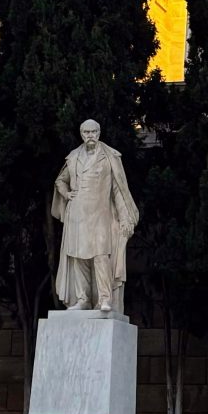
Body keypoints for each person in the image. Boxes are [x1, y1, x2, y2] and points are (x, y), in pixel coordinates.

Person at [51, 119, 139, 313]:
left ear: (99, 133)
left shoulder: (110, 157)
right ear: (81, 134)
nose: (90, 135)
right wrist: (67, 194)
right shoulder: (73, 156)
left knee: (101, 256)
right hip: (76, 215)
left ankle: (104, 299)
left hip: (101, 216)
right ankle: (82, 299)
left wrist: (125, 218)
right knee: (77, 257)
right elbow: (60, 180)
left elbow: (118, 190)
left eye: (93, 132)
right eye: (86, 132)